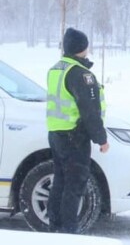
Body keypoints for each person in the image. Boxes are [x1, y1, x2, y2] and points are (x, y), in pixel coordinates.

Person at [46, 27, 109, 234]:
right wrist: (101, 139)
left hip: (56, 134)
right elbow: (90, 110)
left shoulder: (57, 69)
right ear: (82, 48)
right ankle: (68, 232)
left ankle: (54, 227)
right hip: (75, 136)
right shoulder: (81, 75)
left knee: (60, 181)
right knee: (74, 186)